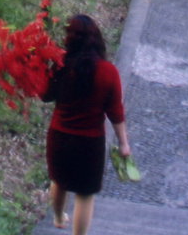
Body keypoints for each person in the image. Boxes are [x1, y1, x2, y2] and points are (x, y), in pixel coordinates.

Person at [39, 13, 132, 234]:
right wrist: (124, 144)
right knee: (84, 194)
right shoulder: (108, 72)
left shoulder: (60, 66)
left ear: (69, 38)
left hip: (59, 135)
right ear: (96, 38)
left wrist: (41, 67)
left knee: (58, 181)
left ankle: (59, 218)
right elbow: (115, 112)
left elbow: (45, 95)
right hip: (90, 142)